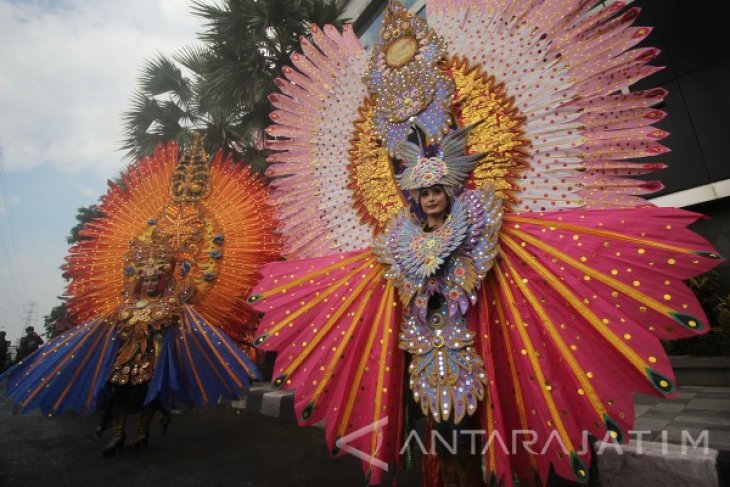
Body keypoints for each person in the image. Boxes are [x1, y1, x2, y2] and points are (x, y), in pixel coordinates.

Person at [246, 1, 722, 485]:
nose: (429, 199)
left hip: (477, 330)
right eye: (421, 191)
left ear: (451, 186)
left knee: (481, 428)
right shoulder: (397, 235)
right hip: (421, 343)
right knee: (436, 433)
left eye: (436, 190)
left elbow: (471, 269)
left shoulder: (477, 215)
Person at [3, 136, 280, 456]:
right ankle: (118, 433)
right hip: (124, 358)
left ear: (164, 278)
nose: (150, 281)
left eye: (156, 277)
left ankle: (142, 433)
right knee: (117, 394)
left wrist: (182, 300)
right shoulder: (128, 302)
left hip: (156, 359)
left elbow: (190, 318)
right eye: (146, 277)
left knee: (150, 395)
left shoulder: (172, 303)